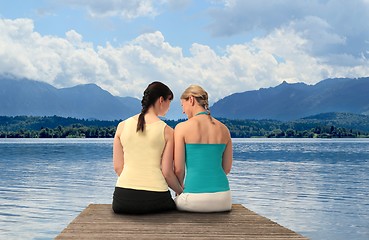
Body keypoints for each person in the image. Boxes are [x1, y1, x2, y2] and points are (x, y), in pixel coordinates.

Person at [112, 81, 183, 214]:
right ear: (161, 100)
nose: (169, 107)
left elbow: (118, 168)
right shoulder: (167, 131)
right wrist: (181, 192)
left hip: (122, 200)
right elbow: (167, 172)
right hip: (156, 199)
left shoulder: (122, 126)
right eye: (169, 101)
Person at [174, 84, 233, 212]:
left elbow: (179, 170)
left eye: (182, 105)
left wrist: (179, 193)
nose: (183, 111)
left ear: (191, 99)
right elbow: (226, 169)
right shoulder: (224, 129)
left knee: (174, 203)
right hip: (224, 200)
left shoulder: (181, 128)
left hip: (194, 200)